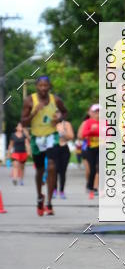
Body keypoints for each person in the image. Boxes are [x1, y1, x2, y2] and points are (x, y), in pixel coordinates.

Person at [21, 75, 68, 216]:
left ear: (49, 86)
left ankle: (49, 202)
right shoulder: (30, 101)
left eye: (45, 85)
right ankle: (39, 197)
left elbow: (65, 112)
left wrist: (59, 118)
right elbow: (23, 122)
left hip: (51, 136)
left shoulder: (56, 100)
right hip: (36, 138)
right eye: (40, 85)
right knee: (40, 170)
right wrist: (34, 112)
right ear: (36, 86)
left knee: (52, 166)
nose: (43, 88)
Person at [77, 105, 100, 199]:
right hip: (87, 148)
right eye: (95, 111)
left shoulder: (105, 122)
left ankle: (95, 188)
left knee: (98, 168)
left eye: (99, 111)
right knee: (89, 170)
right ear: (90, 112)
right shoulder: (86, 122)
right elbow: (80, 136)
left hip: (100, 148)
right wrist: (91, 131)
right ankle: (89, 184)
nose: (97, 113)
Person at [55, 118, 74, 198]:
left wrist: (63, 132)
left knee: (62, 172)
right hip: (54, 148)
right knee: (54, 171)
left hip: (64, 149)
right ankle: (54, 190)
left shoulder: (66, 124)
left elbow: (71, 136)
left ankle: (62, 191)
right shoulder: (50, 123)